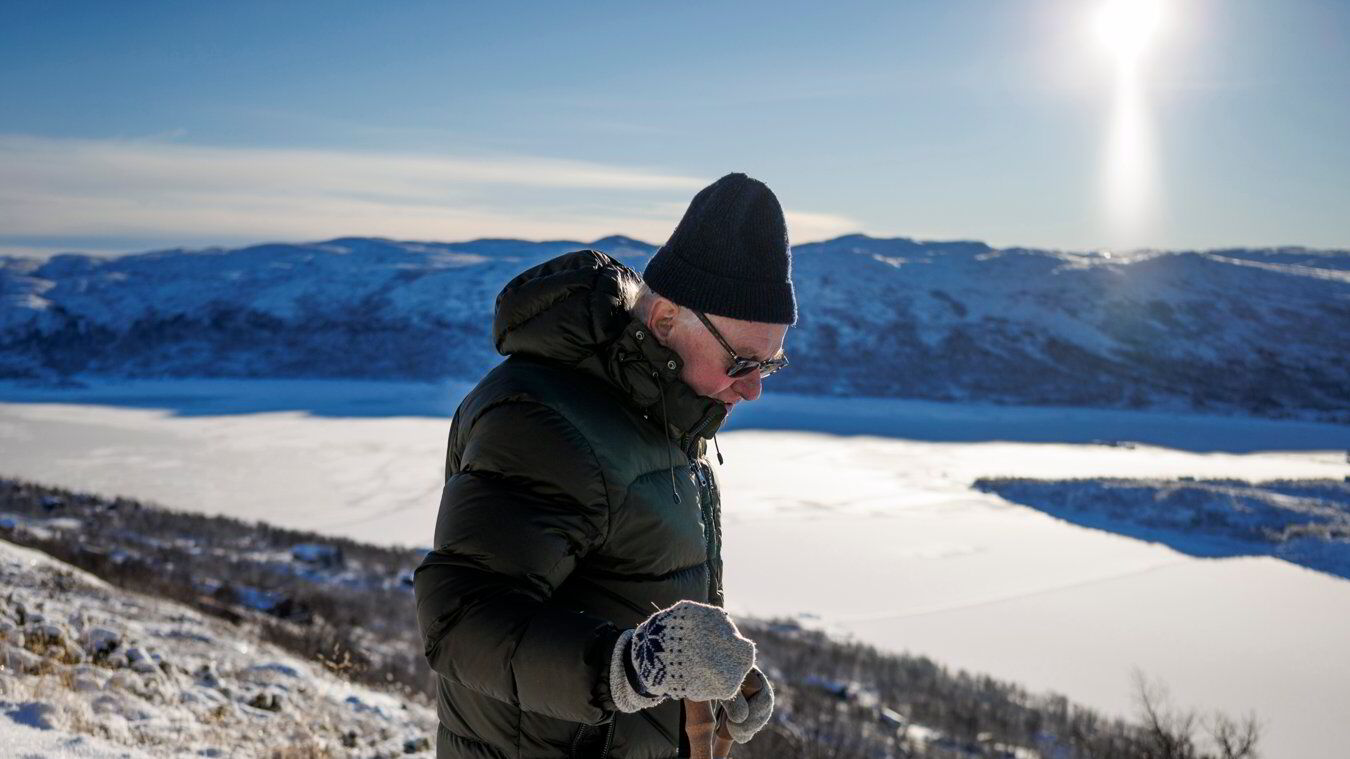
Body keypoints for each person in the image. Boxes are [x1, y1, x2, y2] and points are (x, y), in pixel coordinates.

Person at [414, 172, 796, 759]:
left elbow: (639, 597)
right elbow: (462, 623)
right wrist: (637, 666)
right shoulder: (542, 420)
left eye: (767, 366)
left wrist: (709, 679)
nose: (751, 390)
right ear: (666, 320)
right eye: (742, 361)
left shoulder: (666, 415)